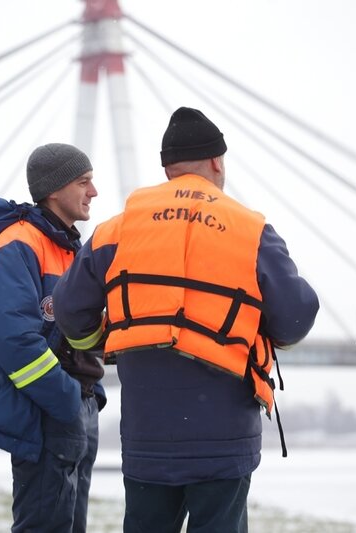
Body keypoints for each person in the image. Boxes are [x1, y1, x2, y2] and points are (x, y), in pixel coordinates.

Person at [52, 107, 319, 532]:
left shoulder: (118, 229)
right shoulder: (250, 232)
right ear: (217, 162)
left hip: (147, 436)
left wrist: (100, 341)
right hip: (224, 438)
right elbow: (295, 319)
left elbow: (69, 309)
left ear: (168, 169)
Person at [0, 143, 106, 533]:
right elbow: (15, 341)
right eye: (84, 182)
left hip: (76, 408)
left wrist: (92, 392)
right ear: (54, 190)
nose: (94, 192)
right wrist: (67, 399)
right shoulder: (18, 245)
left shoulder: (68, 248)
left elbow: (78, 332)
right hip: (48, 413)